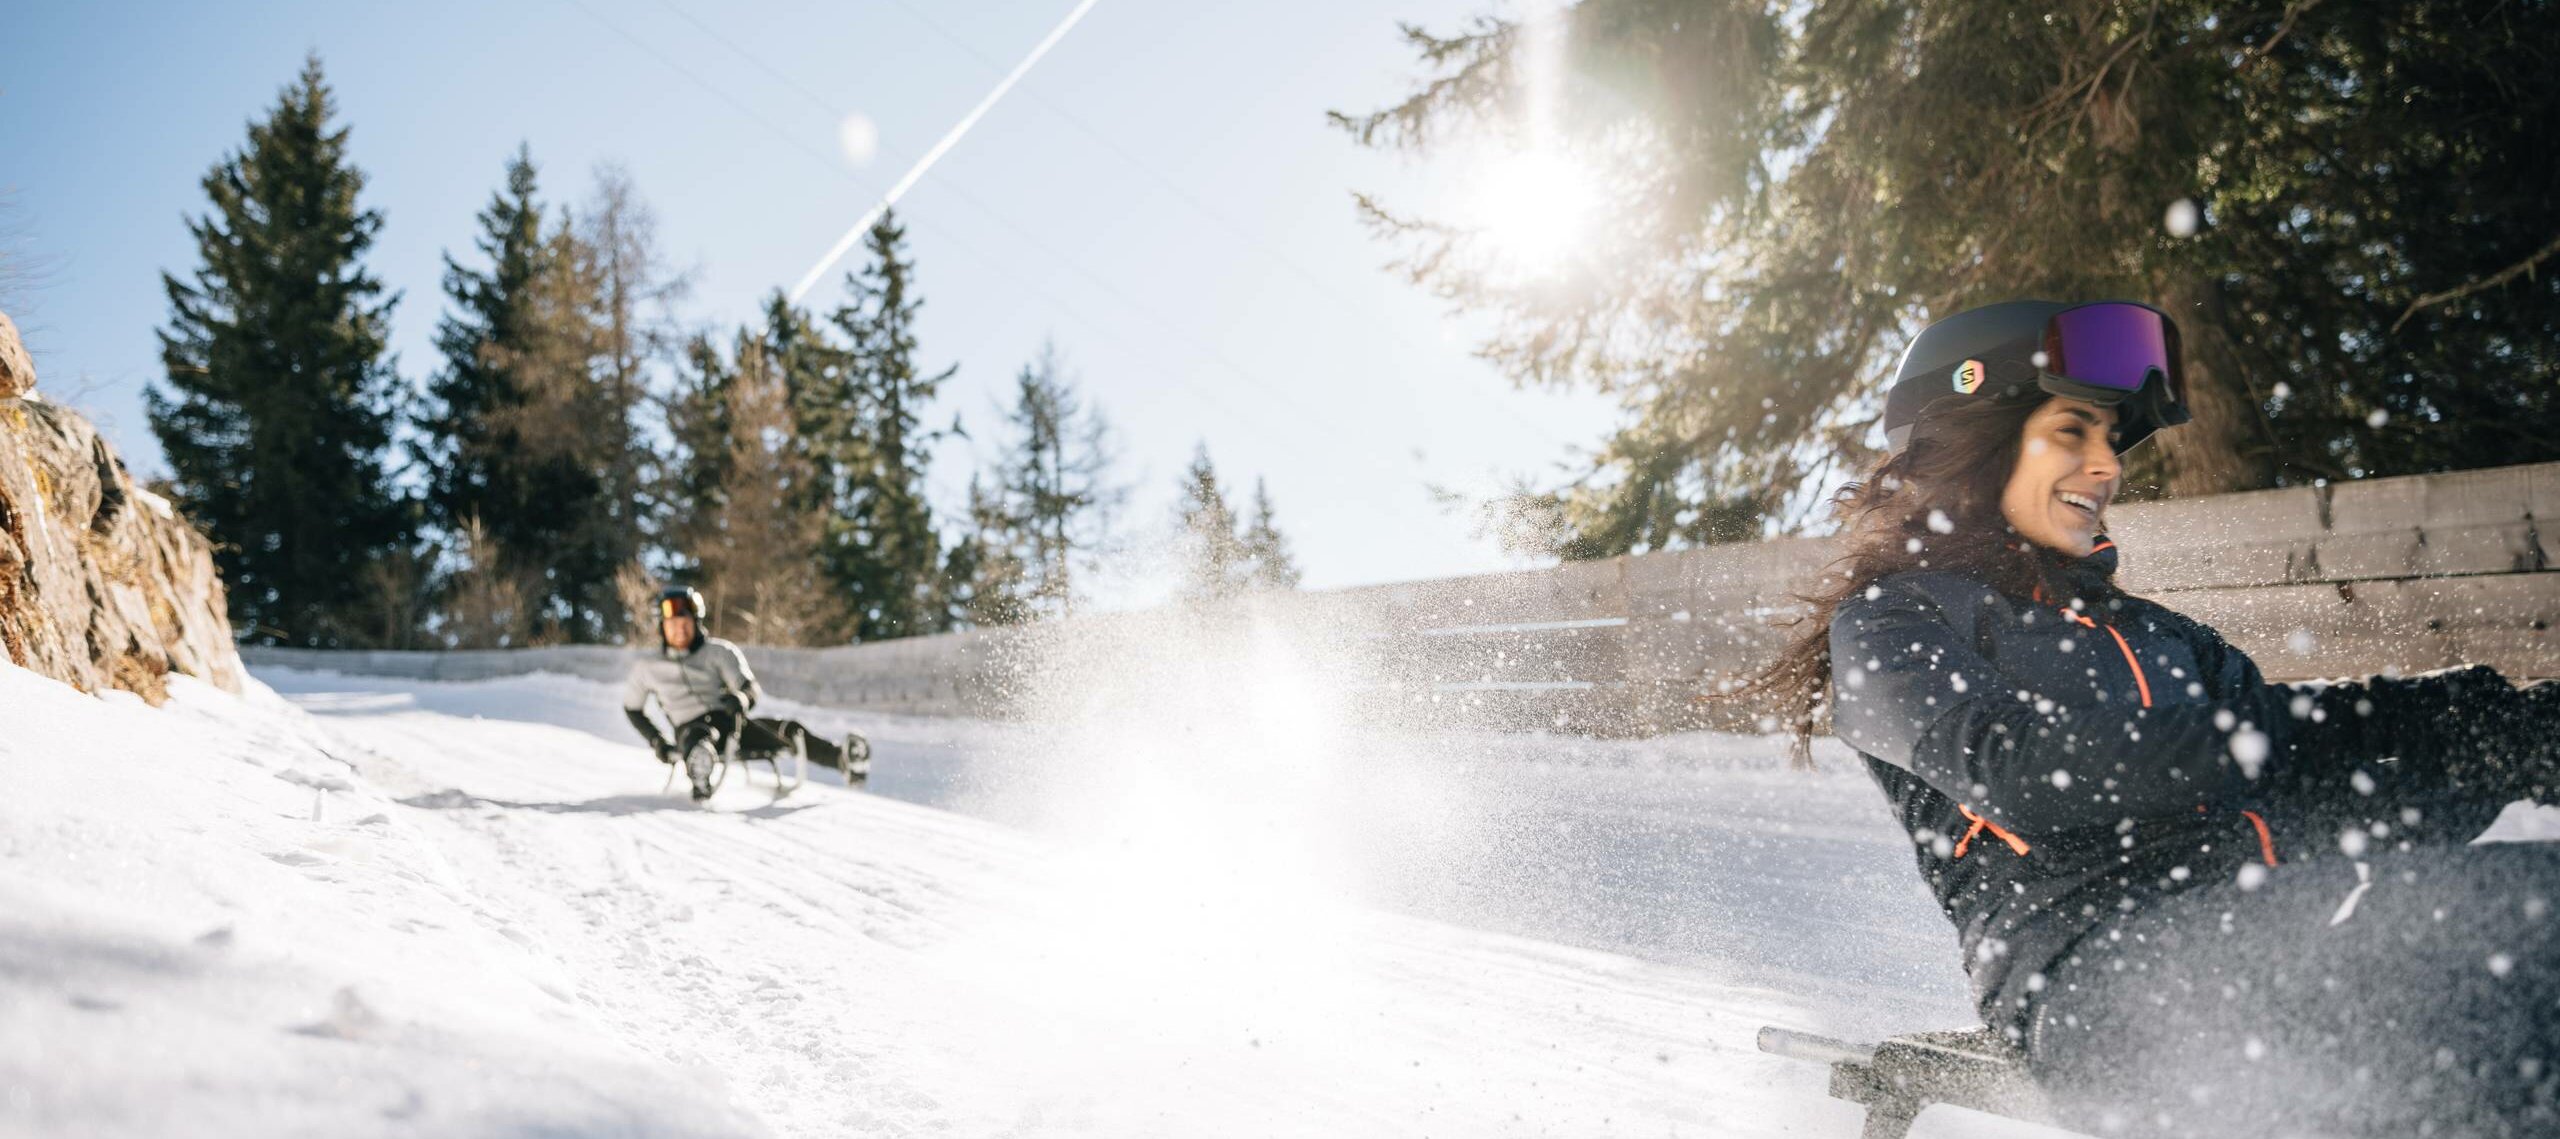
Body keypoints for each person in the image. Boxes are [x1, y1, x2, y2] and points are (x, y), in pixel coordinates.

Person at [1739, 300, 2560, 1137]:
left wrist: (2497, 737)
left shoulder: (2166, 637)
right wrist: (2277, 737)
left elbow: (2304, 773)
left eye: (2109, 441)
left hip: (2268, 925)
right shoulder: (1894, 621)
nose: (2107, 467)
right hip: (2101, 983)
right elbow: (2011, 765)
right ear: (1977, 439)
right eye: (2073, 432)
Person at [623, 586, 871, 801]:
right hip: (689, 729)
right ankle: (700, 772)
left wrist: (741, 698)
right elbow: (632, 708)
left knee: (788, 731)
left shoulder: (718, 652)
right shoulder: (647, 668)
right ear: (662, 628)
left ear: (697, 623)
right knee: (699, 736)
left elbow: (748, 686)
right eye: (673, 625)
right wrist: (658, 742)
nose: (680, 630)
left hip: (732, 724)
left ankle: (842, 759)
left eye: (686, 623)